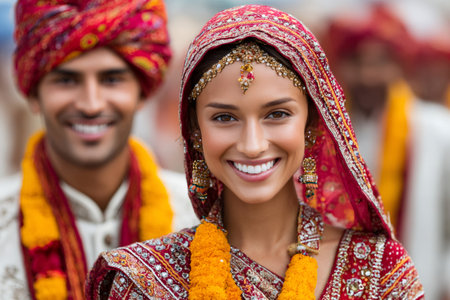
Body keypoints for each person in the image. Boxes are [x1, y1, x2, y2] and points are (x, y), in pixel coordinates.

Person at [86, 5, 424, 299]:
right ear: (195, 132)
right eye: (225, 117)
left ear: (312, 124)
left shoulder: (380, 274)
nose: (252, 144)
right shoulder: (142, 283)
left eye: (276, 114)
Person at [0, 0, 198, 299]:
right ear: (34, 94)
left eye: (111, 79)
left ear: (142, 92)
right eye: (66, 80)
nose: (91, 104)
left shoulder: (200, 220)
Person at [323, 4, 450, 299]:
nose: (368, 75)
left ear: (400, 67)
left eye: (381, 62)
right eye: (357, 61)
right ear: (341, 66)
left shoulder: (439, 131)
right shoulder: (324, 134)